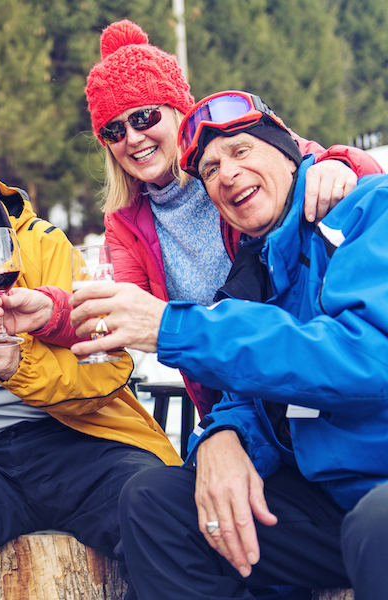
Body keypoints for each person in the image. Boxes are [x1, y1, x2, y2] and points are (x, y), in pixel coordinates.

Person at [68, 91, 388, 600]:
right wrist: (223, 436)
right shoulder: (254, 265)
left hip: (377, 490)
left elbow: (367, 360)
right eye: (211, 170)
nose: (227, 174)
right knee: (156, 502)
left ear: (288, 154)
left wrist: (173, 328)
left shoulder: (368, 210)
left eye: (241, 152)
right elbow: (250, 388)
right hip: (324, 500)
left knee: (376, 523)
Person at [0, 20, 382, 418]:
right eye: (114, 130)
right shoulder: (125, 221)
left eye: (144, 117)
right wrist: (51, 311)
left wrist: (340, 162)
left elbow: (321, 166)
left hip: (302, 372)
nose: (134, 139)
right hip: (225, 400)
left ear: (177, 110)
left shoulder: (227, 160)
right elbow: (123, 311)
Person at [0, 117, 181, 599]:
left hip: (79, 443)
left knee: (162, 514)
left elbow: (106, 363)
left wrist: (16, 365)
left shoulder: (42, 244)